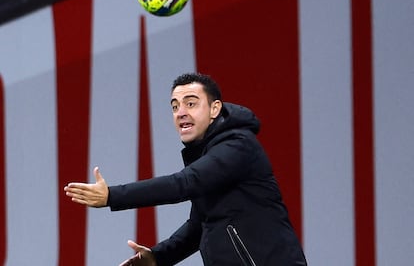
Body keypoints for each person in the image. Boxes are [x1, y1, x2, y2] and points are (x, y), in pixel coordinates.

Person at [64, 72, 307, 266]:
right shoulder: (208, 154)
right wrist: (158, 257)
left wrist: (112, 196)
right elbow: (198, 226)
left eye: (191, 103)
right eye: (174, 106)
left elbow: (184, 183)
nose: (181, 112)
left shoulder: (238, 145)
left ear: (215, 109)